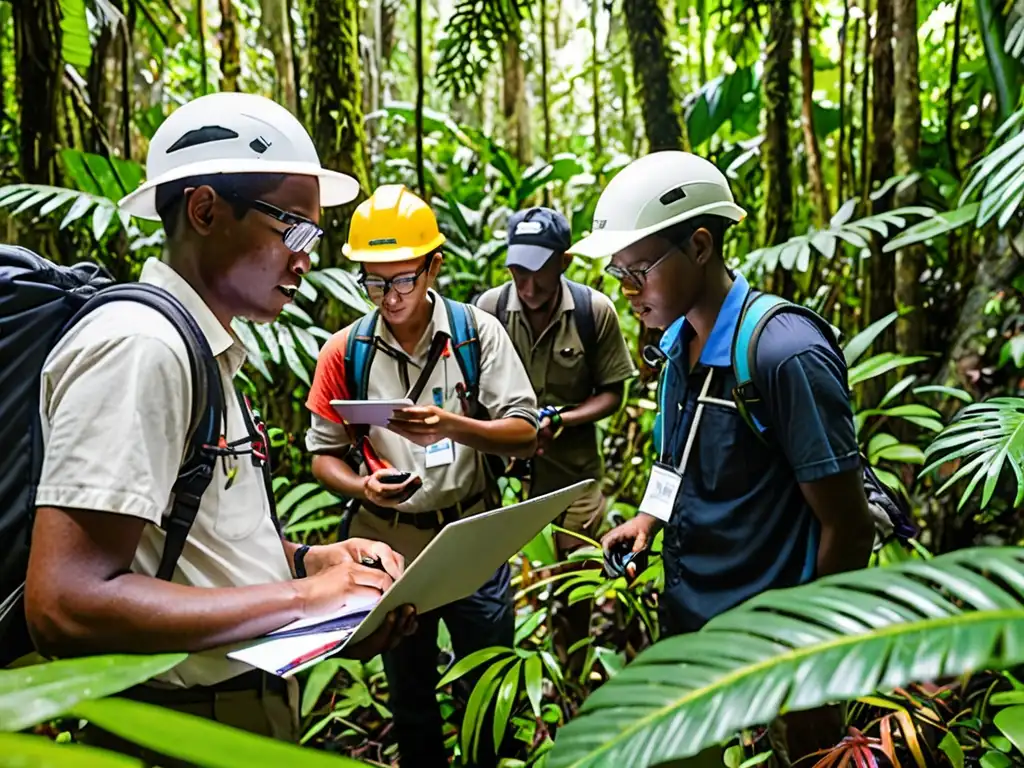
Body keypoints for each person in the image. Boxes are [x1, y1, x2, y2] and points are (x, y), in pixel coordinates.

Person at [23, 92, 415, 757]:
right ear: (205, 210)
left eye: (312, 236)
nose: (305, 258)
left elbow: (188, 550)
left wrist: (313, 563)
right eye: (292, 228)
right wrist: (304, 599)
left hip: (236, 707)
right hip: (178, 724)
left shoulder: (201, 350)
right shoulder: (141, 348)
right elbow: (66, 602)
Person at [570, 151, 876, 759]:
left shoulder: (782, 353)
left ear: (701, 245)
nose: (627, 291)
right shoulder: (678, 345)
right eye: (618, 273)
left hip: (775, 653)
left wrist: (814, 665)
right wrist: (649, 518)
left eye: (639, 270)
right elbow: (675, 457)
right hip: (691, 632)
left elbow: (849, 522)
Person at [304, 183, 539, 767]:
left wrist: (452, 426)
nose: (388, 296)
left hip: (471, 537)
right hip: (392, 548)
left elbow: (526, 431)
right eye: (374, 280)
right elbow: (322, 454)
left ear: (433, 267)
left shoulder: (475, 335)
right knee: (410, 693)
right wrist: (361, 486)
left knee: (487, 687)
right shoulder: (344, 352)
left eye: (402, 278)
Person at [474, 207, 636, 666]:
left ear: (564, 262)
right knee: (489, 582)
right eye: (517, 271)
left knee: (574, 586)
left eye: (538, 272)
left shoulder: (592, 312)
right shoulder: (488, 310)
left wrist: (562, 419)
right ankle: (499, 670)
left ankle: (571, 674)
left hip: (573, 477)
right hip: (502, 477)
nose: (527, 287)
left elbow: (612, 395)